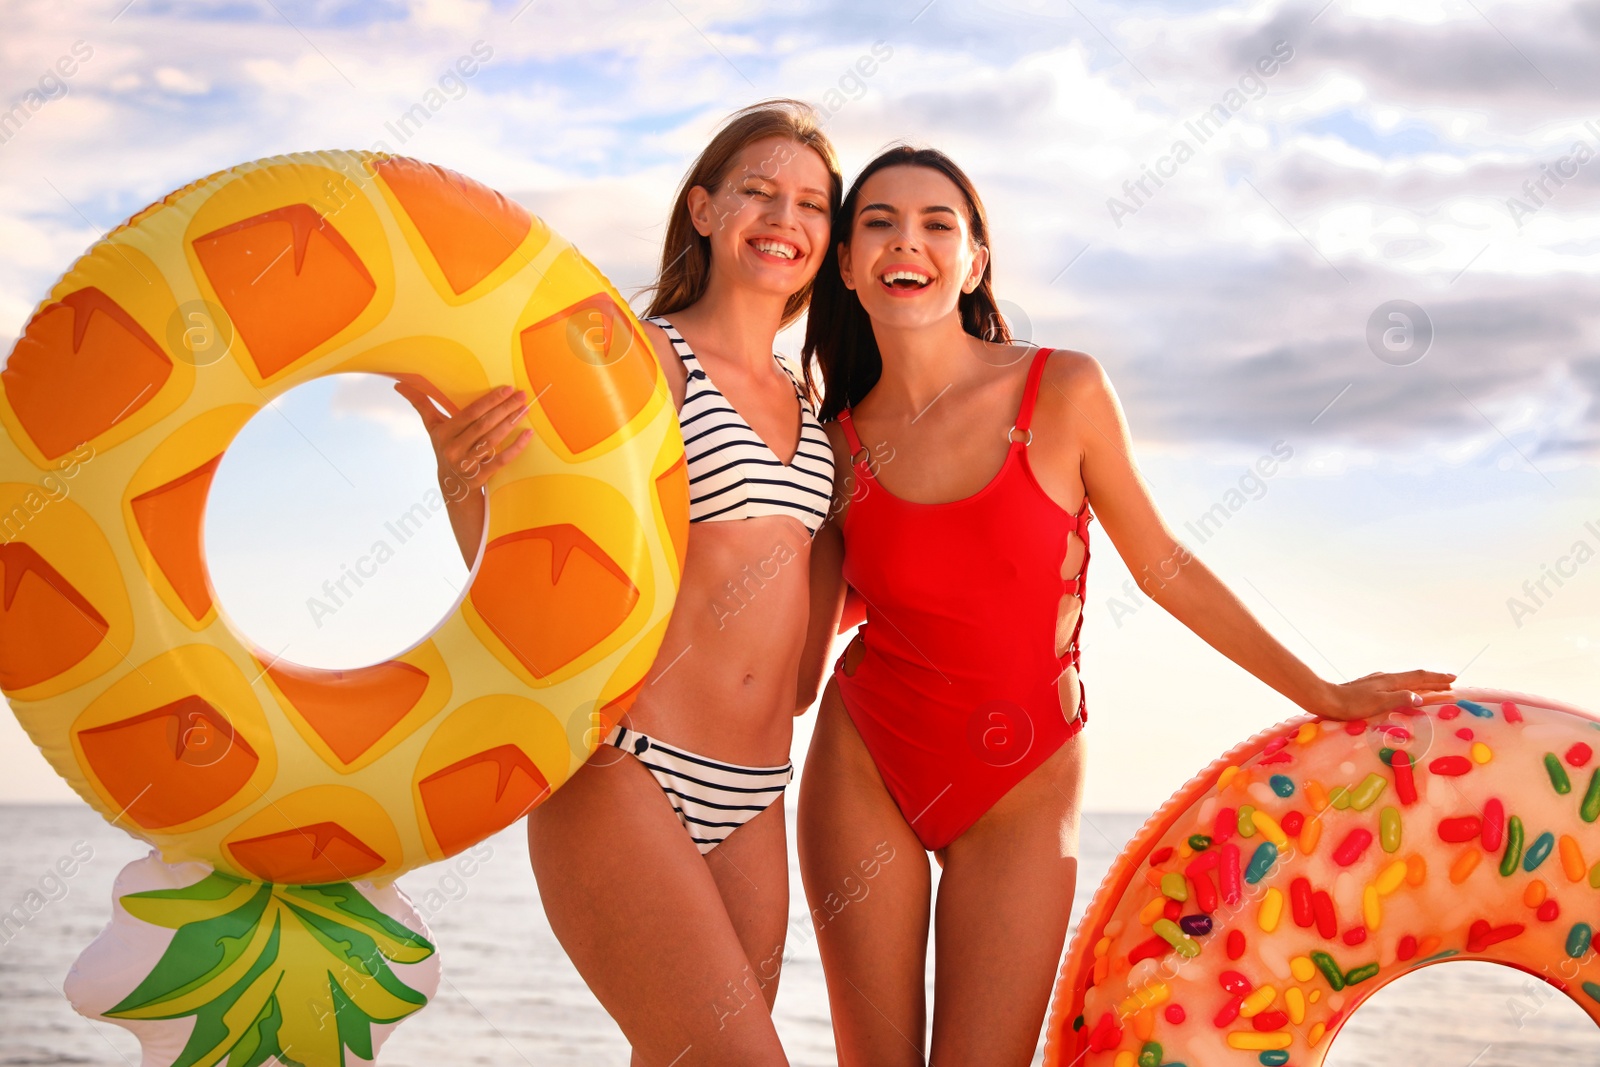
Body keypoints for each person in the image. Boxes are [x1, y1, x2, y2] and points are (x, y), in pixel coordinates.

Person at [792, 144, 1458, 1066]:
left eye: (937, 223)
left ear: (975, 259)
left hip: (1019, 787)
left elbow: (1165, 566)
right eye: (879, 222)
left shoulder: (1061, 390)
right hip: (864, 764)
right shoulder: (832, 445)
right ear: (848, 262)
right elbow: (799, 659)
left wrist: (1320, 689)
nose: (909, 241)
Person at [396, 100, 841, 1066]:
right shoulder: (642, 362)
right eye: (758, 192)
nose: (785, 218)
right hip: (628, 766)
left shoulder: (810, 401)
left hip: (758, 790)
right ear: (703, 210)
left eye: (812, 204)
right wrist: (459, 483)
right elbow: (535, 546)